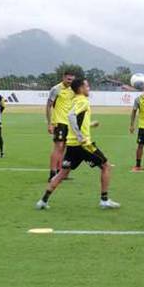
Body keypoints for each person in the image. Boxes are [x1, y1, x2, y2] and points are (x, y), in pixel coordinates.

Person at [36, 78, 120, 210]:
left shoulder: (74, 100)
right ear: (81, 89)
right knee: (106, 166)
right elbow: (71, 116)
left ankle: (43, 200)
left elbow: (76, 121)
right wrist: (81, 137)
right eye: (87, 86)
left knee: (62, 173)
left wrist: (90, 125)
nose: (89, 88)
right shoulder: (83, 101)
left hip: (72, 145)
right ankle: (104, 200)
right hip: (84, 145)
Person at [46, 71, 75, 181]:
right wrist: (50, 123)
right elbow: (48, 106)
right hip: (59, 122)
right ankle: (52, 174)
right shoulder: (56, 89)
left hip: (69, 123)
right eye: (68, 79)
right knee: (58, 147)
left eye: (71, 80)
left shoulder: (72, 90)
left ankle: (59, 173)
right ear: (63, 78)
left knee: (64, 149)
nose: (70, 81)